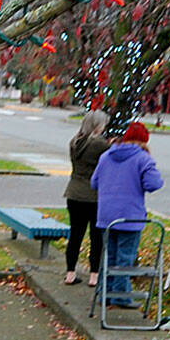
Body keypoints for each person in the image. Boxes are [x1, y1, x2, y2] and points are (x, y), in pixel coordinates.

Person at [91, 121, 164, 308]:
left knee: (108, 256)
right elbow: (153, 184)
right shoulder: (143, 158)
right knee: (125, 258)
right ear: (144, 140)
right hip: (130, 216)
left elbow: (94, 182)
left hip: (106, 215)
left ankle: (104, 293)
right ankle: (121, 296)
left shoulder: (106, 156)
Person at [63, 110, 111, 286]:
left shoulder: (75, 142)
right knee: (96, 237)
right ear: (98, 125)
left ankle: (70, 273)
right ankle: (94, 275)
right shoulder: (101, 145)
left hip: (74, 193)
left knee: (75, 235)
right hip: (94, 196)